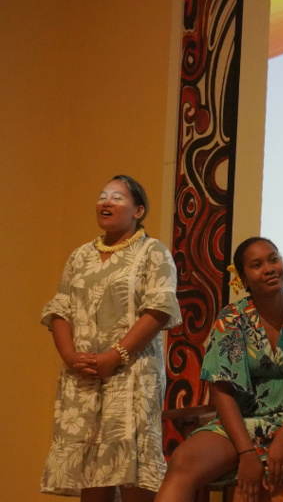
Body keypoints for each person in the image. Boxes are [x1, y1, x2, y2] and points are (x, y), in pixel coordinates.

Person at [156, 237, 283, 502]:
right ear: (243, 279)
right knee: (182, 461)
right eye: (257, 265)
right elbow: (222, 391)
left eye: (274, 259)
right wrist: (246, 453)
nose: (270, 268)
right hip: (240, 424)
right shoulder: (231, 318)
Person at [40, 175, 182, 501]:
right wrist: (70, 356)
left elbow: (158, 310)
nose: (106, 202)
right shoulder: (80, 256)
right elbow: (60, 310)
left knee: (132, 475)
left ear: (138, 211)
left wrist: (114, 357)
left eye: (117, 197)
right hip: (85, 376)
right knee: (92, 475)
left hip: (132, 374)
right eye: (103, 196)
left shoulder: (153, 253)